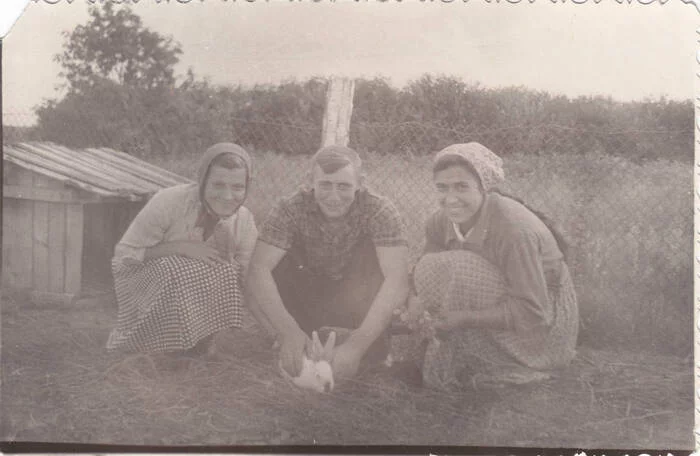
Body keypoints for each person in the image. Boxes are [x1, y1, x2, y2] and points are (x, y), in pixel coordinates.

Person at [397, 142, 578, 390]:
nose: (451, 199)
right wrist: (415, 301)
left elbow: (534, 313)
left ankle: (495, 355)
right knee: (430, 267)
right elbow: (425, 269)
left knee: (460, 269)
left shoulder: (515, 231)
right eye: (442, 188)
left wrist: (462, 318)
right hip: (495, 301)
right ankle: (455, 344)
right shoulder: (439, 222)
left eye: (462, 187)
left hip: (544, 325)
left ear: (484, 188)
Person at [246, 144, 410, 381]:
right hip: (308, 295)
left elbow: (397, 280)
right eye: (325, 185)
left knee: (382, 266)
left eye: (344, 186)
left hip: (355, 298)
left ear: (360, 183)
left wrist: (357, 346)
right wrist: (288, 331)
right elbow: (258, 270)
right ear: (310, 182)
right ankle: (293, 338)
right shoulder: (289, 208)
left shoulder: (380, 210)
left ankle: (359, 340)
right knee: (272, 263)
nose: (334, 197)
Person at [106, 143, 258, 355]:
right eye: (218, 185)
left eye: (237, 187)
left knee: (228, 269)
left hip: (192, 293)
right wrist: (179, 248)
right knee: (177, 267)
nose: (227, 196)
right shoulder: (168, 201)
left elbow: (249, 275)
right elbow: (124, 255)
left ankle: (200, 343)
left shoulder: (244, 220)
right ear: (203, 181)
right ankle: (152, 345)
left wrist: (281, 332)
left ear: (247, 186)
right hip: (144, 282)